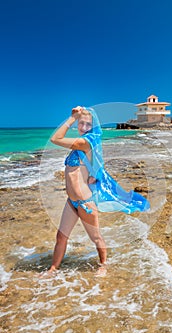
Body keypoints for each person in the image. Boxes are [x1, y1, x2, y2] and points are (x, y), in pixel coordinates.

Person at [46, 106, 150, 277]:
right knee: (61, 237)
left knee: (96, 237)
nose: (84, 127)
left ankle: (103, 264)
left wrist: (72, 118)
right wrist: (92, 176)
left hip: (85, 202)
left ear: (94, 127)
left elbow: (56, 138)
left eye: (88, 124)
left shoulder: (86, 142)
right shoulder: (79, 145)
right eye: (81, 123)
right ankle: (53, 269)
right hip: (71, 201)